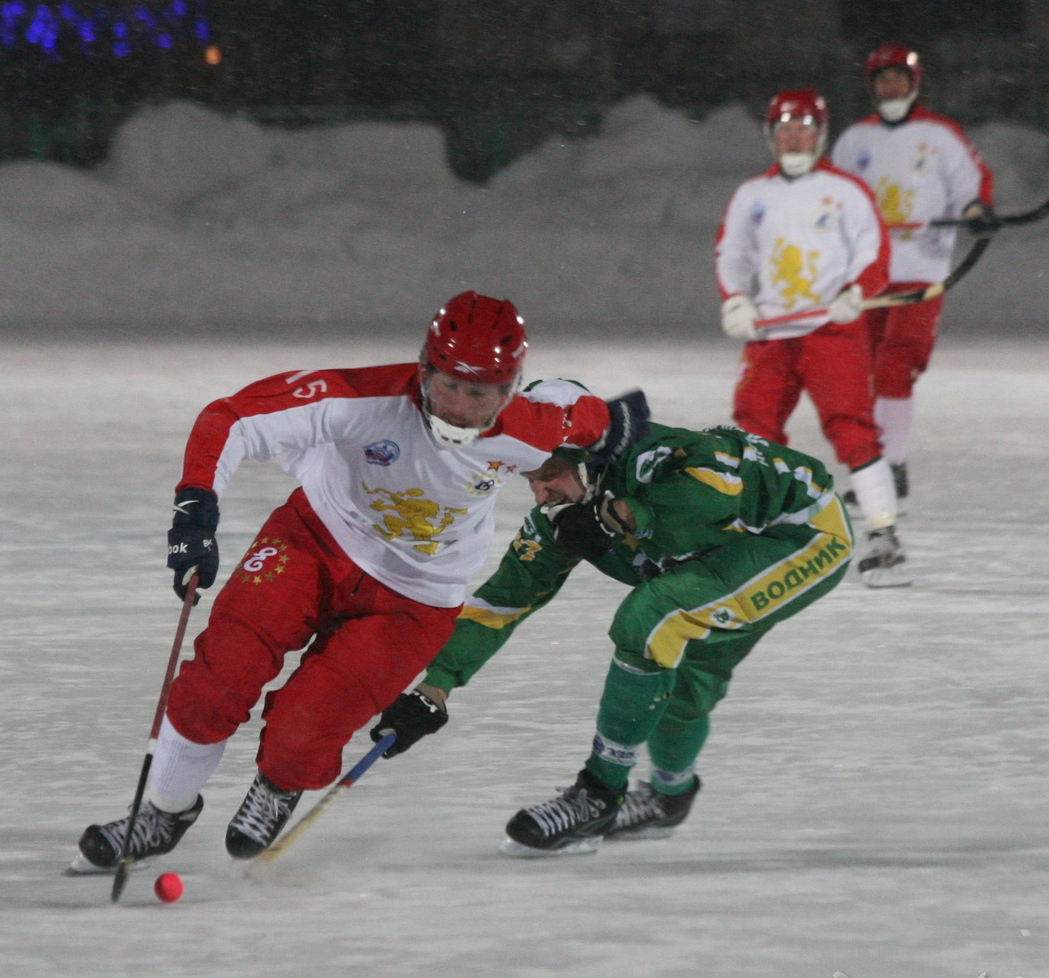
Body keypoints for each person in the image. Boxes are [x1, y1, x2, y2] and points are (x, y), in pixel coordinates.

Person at [72, 291, 647, 871]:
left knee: (306, 730)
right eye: (445, 383)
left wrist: (593, 491)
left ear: (510, 388)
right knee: (217, 680)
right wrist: (194, 509)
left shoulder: (537, 425)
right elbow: (233, 417)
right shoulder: (361, 397)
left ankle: (279, 784)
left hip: (417, 597)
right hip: (311, 542)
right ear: (423, 367)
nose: (456, 405)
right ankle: (164, 813)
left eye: (479, 394)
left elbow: (613, 423)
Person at [367, 423, 854, 854]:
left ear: (586, 460)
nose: (541, 495)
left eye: (549, 475)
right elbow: (504, 601)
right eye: (530, 481)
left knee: (651, 617)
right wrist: (436, 685)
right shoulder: (557, 519)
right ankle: (669, 796)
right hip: (726, 557)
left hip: (802, 537)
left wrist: (622, 514)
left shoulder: (650, 457)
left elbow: (720, 485)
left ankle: (597, 795)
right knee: (684, 680)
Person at [714, 88, 903, 586]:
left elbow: (873, 253)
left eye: (804, 130)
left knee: (852, 428)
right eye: (784, 130)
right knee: (752, 433)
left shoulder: (845, 192)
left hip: (831, 331)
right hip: (772, 334)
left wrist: (857, 291)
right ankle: (761, 532)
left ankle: (883, 533)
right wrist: (735, 298)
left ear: (821, 136)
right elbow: (731, 254)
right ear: (771, 136)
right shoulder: (752, 195)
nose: (794, 139)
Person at [830, 43, 997, 517]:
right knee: (862, 375)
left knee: (895, 369)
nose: (890, 87)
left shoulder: (940, 135)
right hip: (866, 275)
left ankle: (890, 468)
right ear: (871, 86)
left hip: (920, 273)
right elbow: (832, 198)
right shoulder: (853, 140)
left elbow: (971, 184)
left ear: (915, 82)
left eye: (898, 78)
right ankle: (872, 469)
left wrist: (975, 210)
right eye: (882, 79)